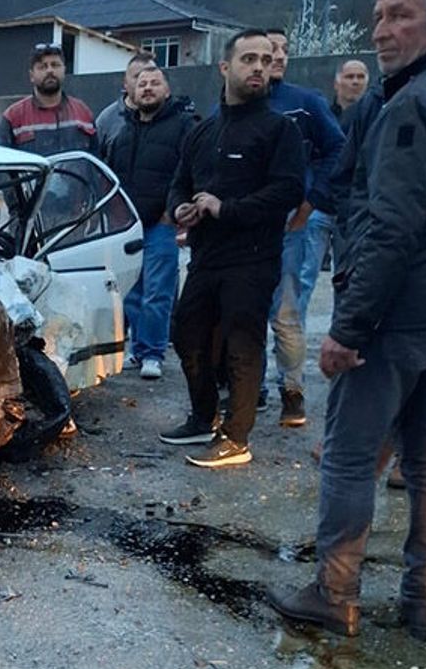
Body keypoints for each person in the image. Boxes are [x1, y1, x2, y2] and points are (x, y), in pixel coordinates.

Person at [268, 0, 426, 643]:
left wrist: (349, 329)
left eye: (400, 15)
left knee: (351, 457)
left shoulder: (414, 103)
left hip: (398, 315)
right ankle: (424, 604)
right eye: (380, 14)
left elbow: (391, 227)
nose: (381, 29)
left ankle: (335, 593)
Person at [158, 29, 304, 468]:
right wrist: (180, 208)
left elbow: (287, 191)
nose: (259, 67)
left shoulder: (280, 129)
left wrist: (227, 209)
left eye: (265, 60)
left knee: (243, 344)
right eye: (249, 59)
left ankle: (236, 438)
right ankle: (203, 417)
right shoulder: (203, 131)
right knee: (187, 334)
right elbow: (179, 182)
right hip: (206, 255)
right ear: (225, 67)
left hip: (253, 257)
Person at [258, 28, 346, 428]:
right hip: (244, 226)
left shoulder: (305, 103)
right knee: (245, 313)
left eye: (283, 49)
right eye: (269, 49)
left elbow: (338, 150)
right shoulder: (235, 103)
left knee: (286, 313)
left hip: (291, 226)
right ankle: (249, 389)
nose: (278, 55)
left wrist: (311, 204)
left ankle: (291, 392)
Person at [101, 65, 193, 380]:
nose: (148, 88)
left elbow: (188, 171)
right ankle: (138, 350)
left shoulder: (182, 126)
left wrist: (173, 209)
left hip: (161, 223)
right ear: (131, 91)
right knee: (132, 292)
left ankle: (153, 352)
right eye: (142, 84)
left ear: (167, 91)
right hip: (129, 227)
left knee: (158, 292)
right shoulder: (124, 130)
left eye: (155, 83)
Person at [0, 42, 96, 155]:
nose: (50, 70)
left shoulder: (82, 113)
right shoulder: (14, 117)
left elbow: (96, 159)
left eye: (55, 65)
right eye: (42, 67)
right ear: (31, 75)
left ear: (64, 70)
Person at [94, 51, 155, 150]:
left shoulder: (172, 118)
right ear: (125, 83)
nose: (146, 83)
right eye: (138, 76)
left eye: (152, 77)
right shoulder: (107, 120)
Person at [330, 59, 369, 127]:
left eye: (361, 77)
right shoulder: (325, 118)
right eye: (349, 77)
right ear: (336, 84)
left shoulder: (375, 118)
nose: (355, 81)